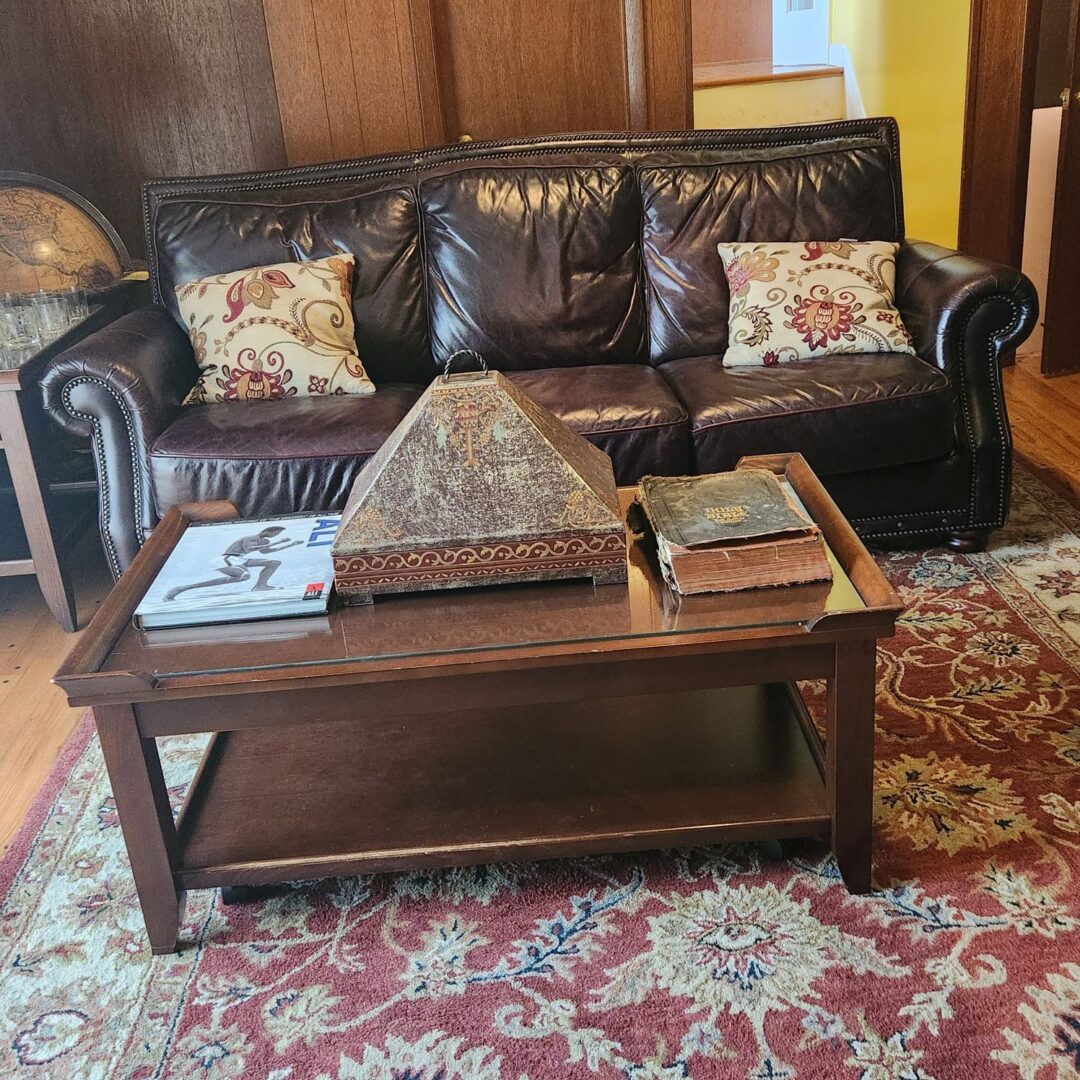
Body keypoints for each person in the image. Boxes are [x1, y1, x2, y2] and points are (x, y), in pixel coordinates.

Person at [163, 526, 303, 602]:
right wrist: (278, 542)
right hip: (228, 558)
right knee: (244, 576)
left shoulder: (264, 541)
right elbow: (249, 549)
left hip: (240, 559)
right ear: (268, 531)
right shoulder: (252, 538)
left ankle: (260, 586)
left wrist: (290, 545)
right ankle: (184, 588)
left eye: (277, 535)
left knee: (274, 563)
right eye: (276, 534)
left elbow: (266, 553)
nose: (276, 536)